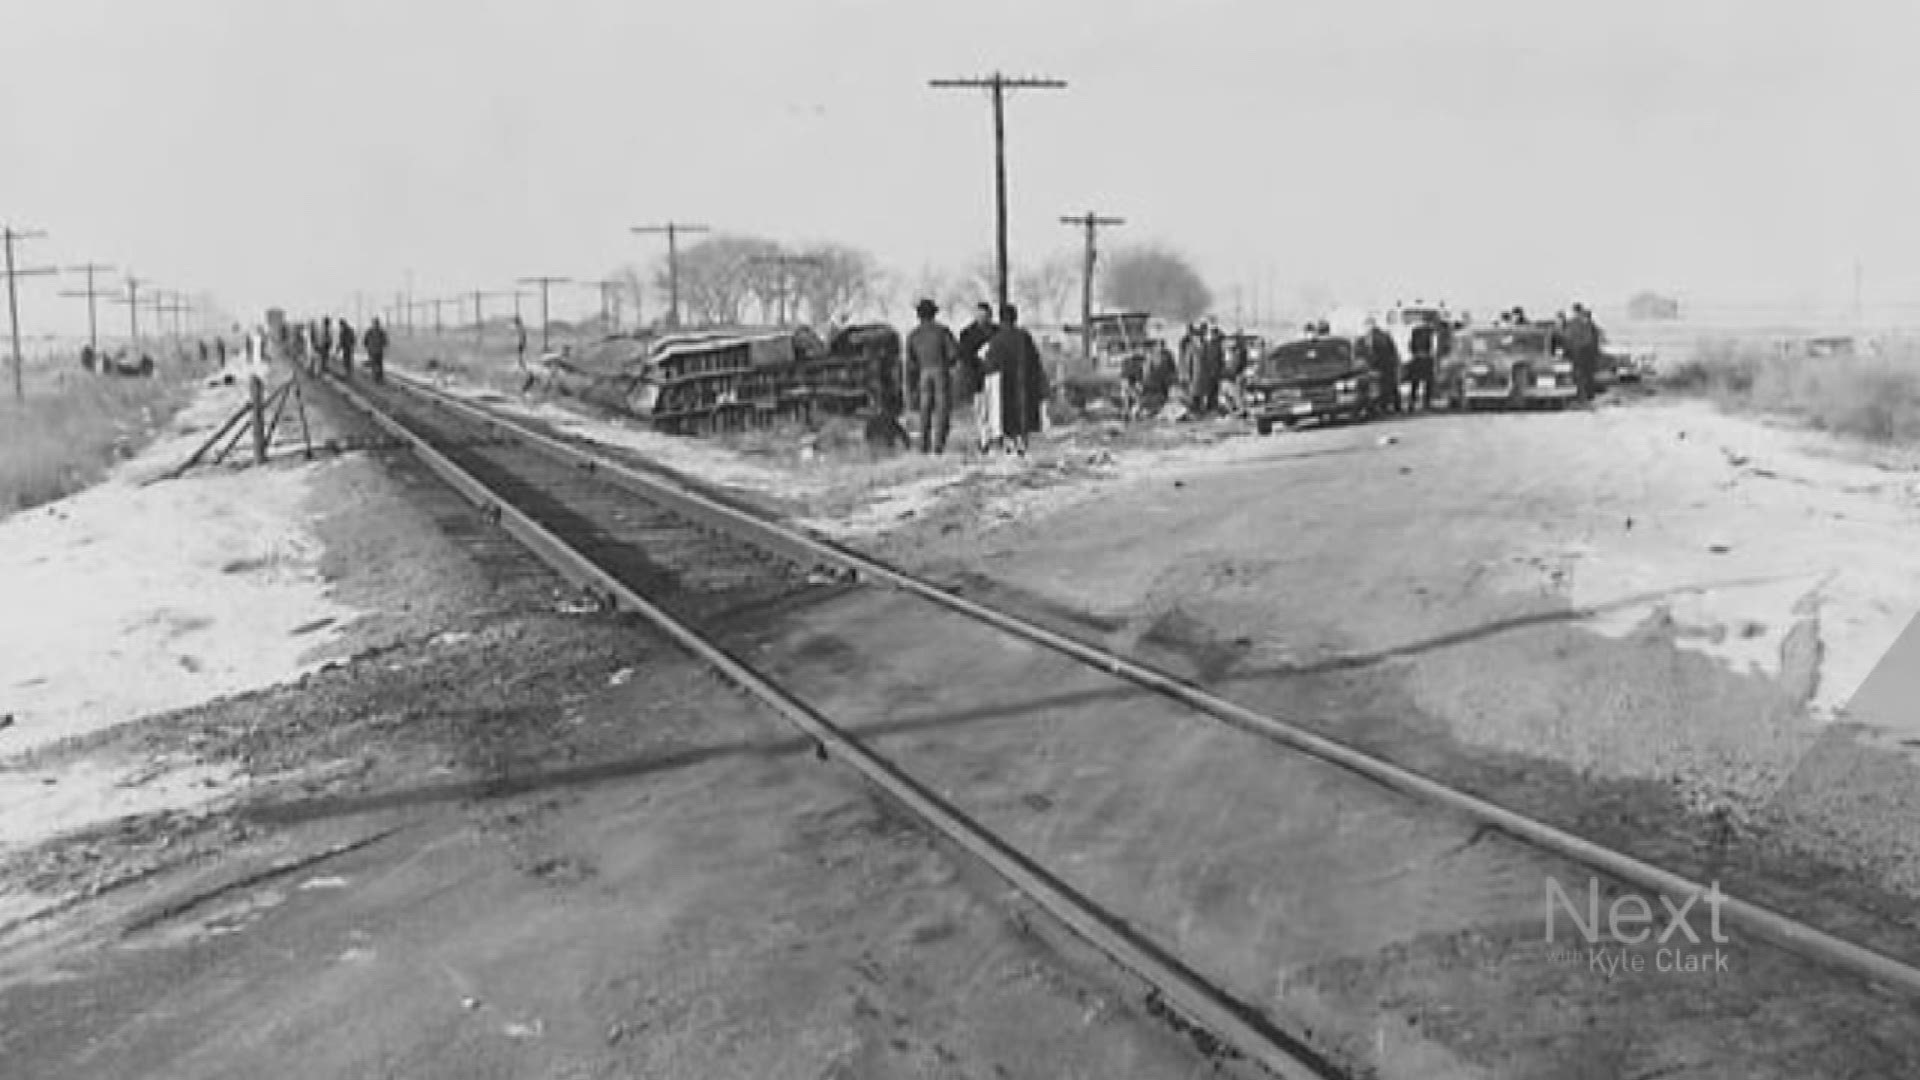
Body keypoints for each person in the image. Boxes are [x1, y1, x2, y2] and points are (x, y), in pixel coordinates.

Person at [984, 303, 1047, 455]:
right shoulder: (1024, 336)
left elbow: (990, 363)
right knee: (1023, 412)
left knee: (1006, 413)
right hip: (1024, 381)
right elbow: (1035, 360)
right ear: (1015, 317)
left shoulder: (996, 339)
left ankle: (1010, 443)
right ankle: (1022, 443)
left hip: (1004, 383)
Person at [904, 299, 958, 454]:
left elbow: (910, 361)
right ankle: (938, 446)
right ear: (934, 313)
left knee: (924, 410)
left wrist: (911, 384)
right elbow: (953, 353)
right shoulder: (942, 331)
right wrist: (949, 365)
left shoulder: (913, 334)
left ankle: (924, 446)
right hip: (940, 371)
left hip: (923, 373)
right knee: (942, 410)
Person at [957, 302, 998, 451]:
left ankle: (995, 438)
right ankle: (984, 439)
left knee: (996, 409)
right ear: (975, 315)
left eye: (986, 315)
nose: (983, 318)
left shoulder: (997, 331)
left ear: (990, 316)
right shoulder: (967, 333)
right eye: (980, 315)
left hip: (996, 376)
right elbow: (964, 356)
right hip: (977, 377)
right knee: (981, 410)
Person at [1564, 303, 1602, 402]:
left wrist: (1572, 348)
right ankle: (1588, 394)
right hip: (1587, 352)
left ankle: (1583, 395)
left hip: (1580, 351)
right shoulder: (1587, 323)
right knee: (1587, 374)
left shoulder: (1575, 323)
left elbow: (1569, 337)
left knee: (1580, 374)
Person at [1363, 317, 1402, 413]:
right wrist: (1396, 362)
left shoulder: (1369, 337)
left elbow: (1371, 353)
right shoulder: (1385, 335)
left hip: (1378, 366)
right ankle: (1396, 406)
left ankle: (1381, 407)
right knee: (1392, 386)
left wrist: (1370, 365)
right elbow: (1393, 350)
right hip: (1389, 365)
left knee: (1379, 387)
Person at [1406, 316, 1437, 412]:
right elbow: (1433, 346)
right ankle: (1426, 403)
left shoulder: (1416, 330)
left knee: (1416, 382)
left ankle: (1412, 404)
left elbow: (1410, 344)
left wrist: (1414, 354)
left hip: (1418, 358)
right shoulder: (1431, 331)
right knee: (1427, 383)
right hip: (1426, 358)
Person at [1223, 331, 1251, 415]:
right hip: (1236, 375)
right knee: (1235, 393)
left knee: (1237, 393)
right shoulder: (1238, 350)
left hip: (1237, 375)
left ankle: (1241, 410)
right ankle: (1238, 408)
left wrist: (1232, 374)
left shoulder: (1239, 351)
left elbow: (1237, 364)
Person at [363, 318, 388, 383]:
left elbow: (385, 341)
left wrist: (368, 347)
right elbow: (385, 342)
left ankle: (378, 378)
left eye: (376, 323)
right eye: (376, 323)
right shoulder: (377, 331)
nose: (376, 324)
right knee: (377, 364)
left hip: (376, 350)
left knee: (377, 364)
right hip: (375, 350)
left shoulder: (372, 331)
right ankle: (378, 378)